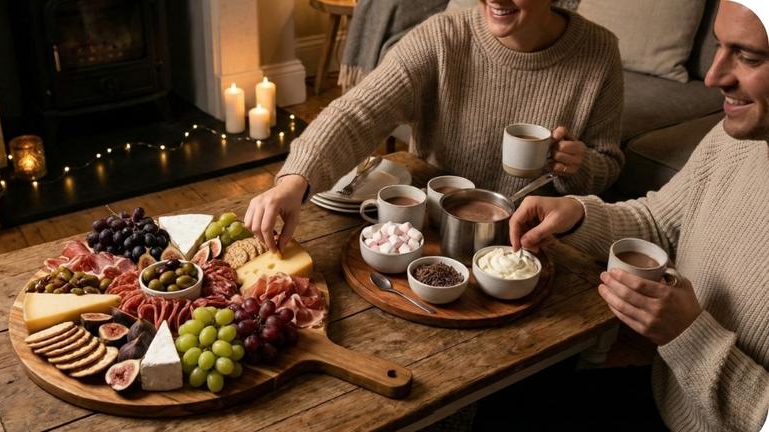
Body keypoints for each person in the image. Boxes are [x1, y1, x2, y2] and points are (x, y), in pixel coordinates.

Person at [501, 1, 769, 432]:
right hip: (674, 402)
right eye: (720, 47)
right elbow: (660, 223)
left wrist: (690, 336)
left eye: (749, 57)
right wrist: (578, 214)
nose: (713, 76)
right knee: (507, 411)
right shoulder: (738, 135)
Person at [245, 0, 625, 251]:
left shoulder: (599, 51)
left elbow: (607, 164)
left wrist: (578, 165)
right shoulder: (443, 36)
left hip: (529, 249)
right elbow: (358, 111)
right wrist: (295, 179)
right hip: (431, 237)